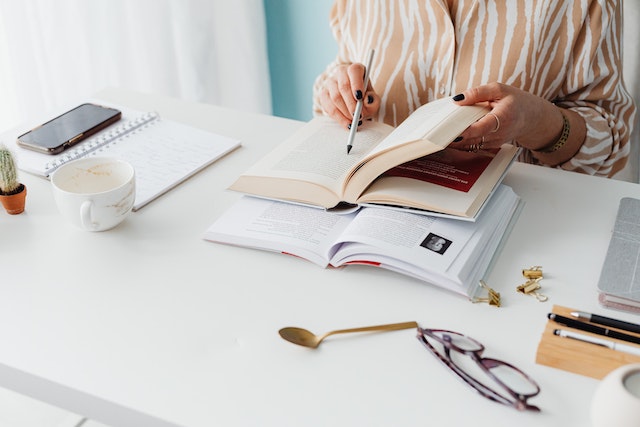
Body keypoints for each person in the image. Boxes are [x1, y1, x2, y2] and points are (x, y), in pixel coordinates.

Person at [313, 1, 637, 178]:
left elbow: (612, 142)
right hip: (370, 219)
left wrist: (536, 123)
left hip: (512, 231)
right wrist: (338, 89)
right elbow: (343, 70)